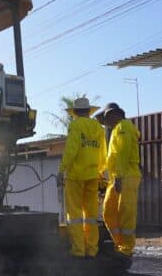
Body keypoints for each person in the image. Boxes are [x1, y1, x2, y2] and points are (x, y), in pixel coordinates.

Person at [58, 97, 106, 259]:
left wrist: (62, 169)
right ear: (88, 111)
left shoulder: (75, 125)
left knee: (75, 214)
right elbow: (103, 152)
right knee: (91, 214)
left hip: (76, 175)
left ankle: (78, 250)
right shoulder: (98, 127)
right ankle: (92, 249)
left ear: (75, 112)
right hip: (93, 175)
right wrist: (100, 170)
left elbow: (72, 149)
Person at [99, 102, 141, 262]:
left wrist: (119, 177)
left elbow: (122, 154)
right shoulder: (117, 129)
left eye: (106, 117)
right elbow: (113, 157)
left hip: (127, 176)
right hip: (119, 176)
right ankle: (120, 245)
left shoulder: (123, 127)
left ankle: (126, 249)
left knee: (126, 213)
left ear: (114, 114)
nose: (105, 121)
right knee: (108, 211)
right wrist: (103, 172)